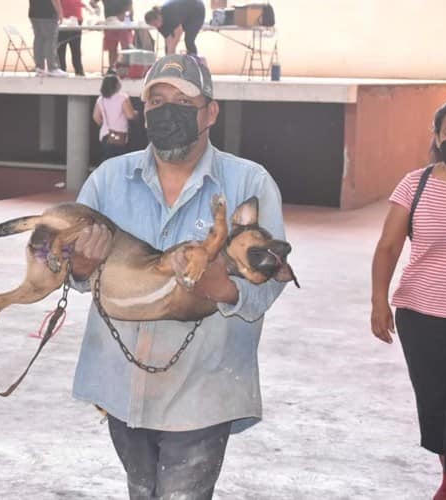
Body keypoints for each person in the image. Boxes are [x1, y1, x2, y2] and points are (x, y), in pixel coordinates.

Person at [70, 54, 288, 499]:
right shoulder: (109, 179)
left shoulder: (248, 182)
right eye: (156, 100)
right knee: (142, 492)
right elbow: (70, 269)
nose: (166, 110)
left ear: (210, 112)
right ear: (144, 110)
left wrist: (213, 286)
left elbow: (267, 284)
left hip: (202, 388)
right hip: (120, 384)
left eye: (182, 100)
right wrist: (79, 265)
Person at [371, 98, 446, 500]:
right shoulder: (416, 184)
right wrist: (379, 302)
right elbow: (387, 247)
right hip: (421, 315)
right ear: (437, 138)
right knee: (437, 405)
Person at [92, 73, 139, 161]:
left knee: (107, 161)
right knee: (120, 162)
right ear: (116, 85)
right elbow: (130, 115)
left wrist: (105, 125)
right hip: (119, 136)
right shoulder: (122, 97)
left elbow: (96, 117)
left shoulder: (101, 99)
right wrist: (136, 114)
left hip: (105, 136)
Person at [90, 0, 134, 72]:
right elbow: (92, 2)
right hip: (110, 22)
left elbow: (130, 10)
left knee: (126, 47)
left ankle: (126, 68)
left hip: (125, 21)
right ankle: (112, 68)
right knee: (111, 48)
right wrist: (96, 7)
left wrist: (121, 19)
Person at [28, 0, 68, 77]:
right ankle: (52, 68)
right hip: (48, 13)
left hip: (34, 13)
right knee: (50, 40)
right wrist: (60, 13)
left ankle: (40, 68)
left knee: (38, 40)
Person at [57, 0, 89, 76]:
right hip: (63, 19)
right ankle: (62, 69)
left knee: (75, 48)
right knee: (61, 48)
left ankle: (78, 70)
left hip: (75, 19)